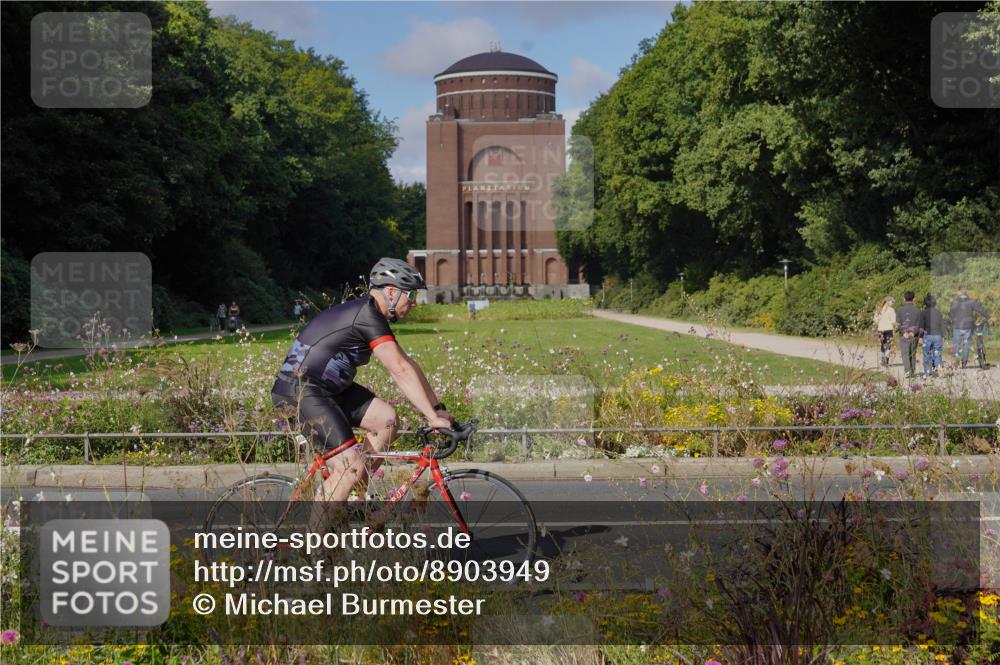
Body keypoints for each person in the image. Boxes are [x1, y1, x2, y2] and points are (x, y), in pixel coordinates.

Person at [270, 258, 450, 505]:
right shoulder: (366, 316)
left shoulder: (370, 314)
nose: (414, 303)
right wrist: (431, 417)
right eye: (411, 295)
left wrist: (438, 409)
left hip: (328, 390)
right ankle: (317, 543)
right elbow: (399, 370)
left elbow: (408, 365)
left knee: (386, 419)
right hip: (300, 392)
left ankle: (354, 497)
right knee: (349, 469)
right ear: (391, 292)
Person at [950, 287, 991, 368]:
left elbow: (951, 313)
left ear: (958, 292)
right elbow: (980, 309)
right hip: (968, 327)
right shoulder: (971, 302)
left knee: (956, 345)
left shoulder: (954, 302)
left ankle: (956, 362)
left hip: (957, 326)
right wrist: (989, 317)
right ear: (966, 293)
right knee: (966, 345)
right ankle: (964, 363)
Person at [918, 294, 944, 377]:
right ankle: (939, 367)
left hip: (928, 336)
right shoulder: (938, 312)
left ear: (925, 303)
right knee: (937, 353)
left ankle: (928, 371)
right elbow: (942, 325)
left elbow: (921, 326)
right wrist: (943, 335)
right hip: (938, 335)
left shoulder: (923, 313)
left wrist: (920, 337)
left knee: (927, 354)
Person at [896, 291, 920, 379]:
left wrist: (904, 332)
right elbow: (919, 324)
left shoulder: (899, 310)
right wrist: (913, 333)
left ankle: (907, 371)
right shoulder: (917, 310)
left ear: (904, 298)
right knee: (912, 353)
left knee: (905, 353)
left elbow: (898, 324)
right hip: (914, 336)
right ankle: (913, 371)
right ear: (914, 299)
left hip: (903, 335)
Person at [873, 296, 896, 367]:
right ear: (888, 301)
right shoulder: (891, 310)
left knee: (882, 345)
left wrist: (880, 318)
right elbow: (893, 321)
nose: (893, 303)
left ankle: (882, 359)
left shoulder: (879, 309)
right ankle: (886, 360)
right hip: (889, 329)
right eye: (892, 302)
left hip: (880, 330)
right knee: (888, 345)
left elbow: (875, 320)